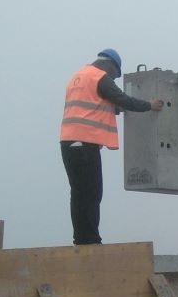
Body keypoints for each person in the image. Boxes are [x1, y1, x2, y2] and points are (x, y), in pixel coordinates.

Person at [60, 49, 163, 245]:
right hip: (84, 144)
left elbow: (95, 105)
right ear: (110, 65)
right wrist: (150, 105)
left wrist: (116, 108)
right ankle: (90, 240)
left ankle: (81, 239)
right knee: (92, 193)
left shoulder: (79, 76)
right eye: (114, 75)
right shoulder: (100, 78)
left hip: (68, 143)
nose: (113, 78)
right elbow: (123, 99)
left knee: (79, 193)